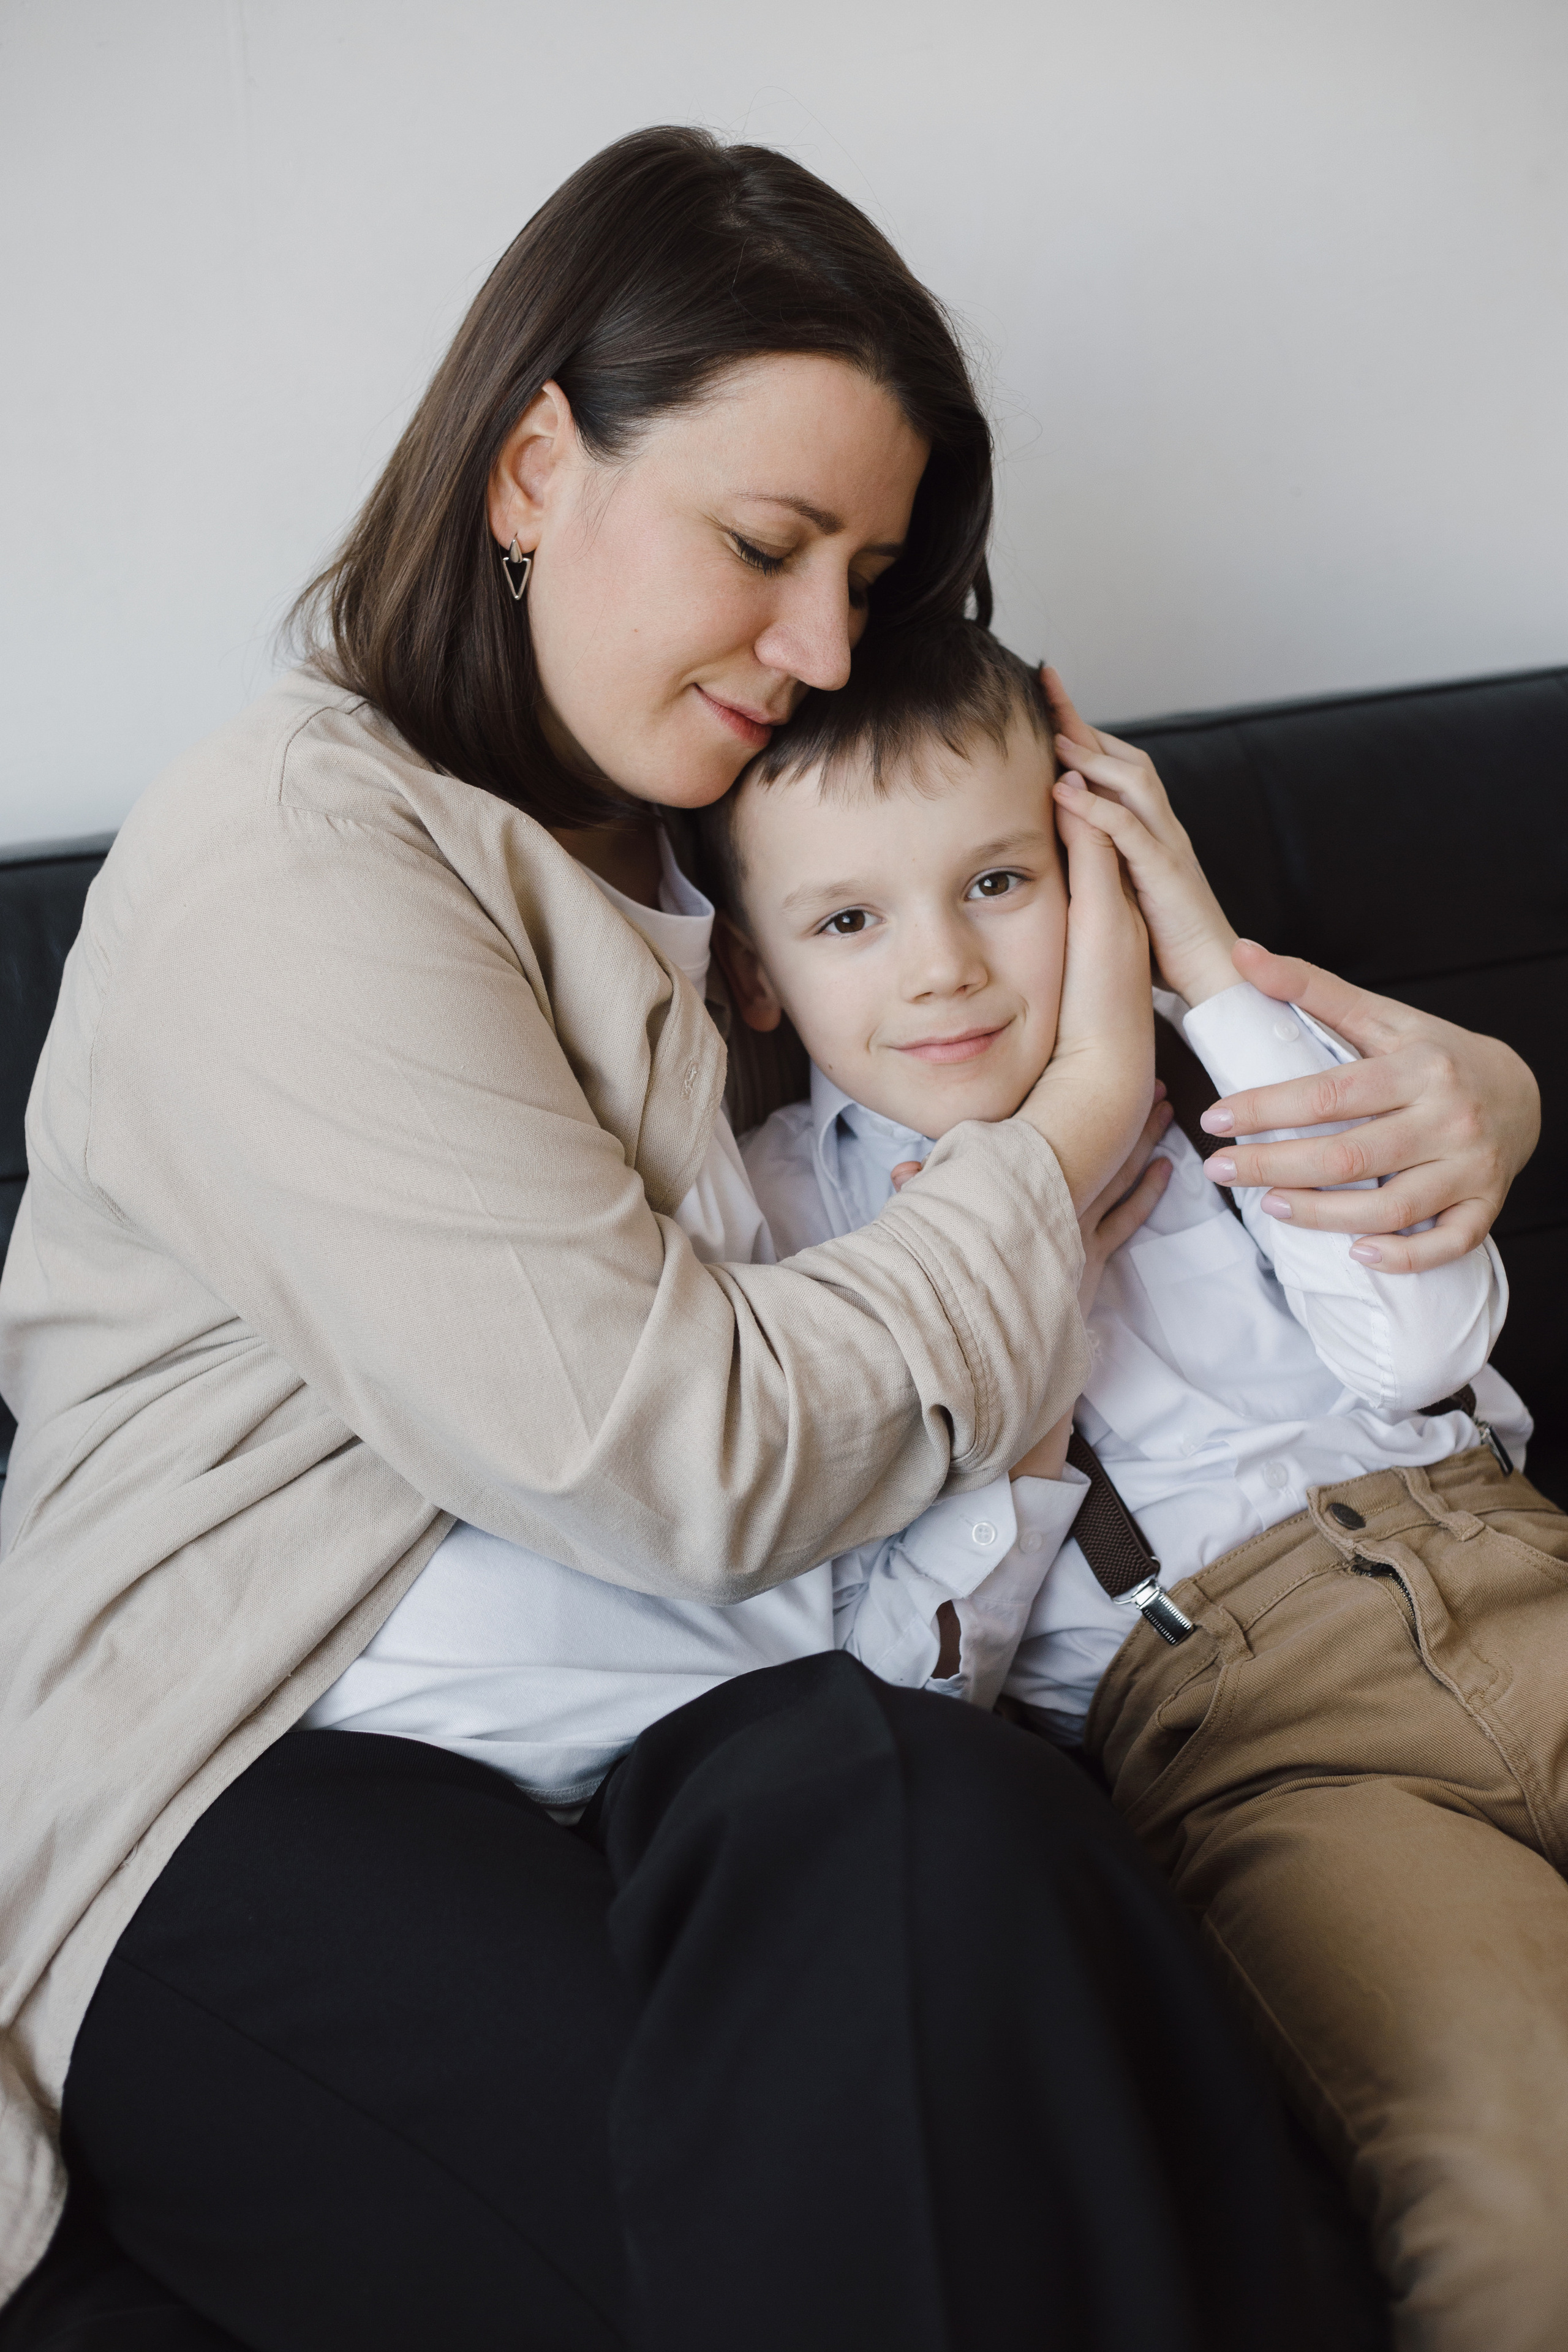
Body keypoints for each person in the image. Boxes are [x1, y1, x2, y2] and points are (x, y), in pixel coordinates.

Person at [0, 128, 1539, 2351]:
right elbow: (679, 1446)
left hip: (708, 1700)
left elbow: (1095, 1023)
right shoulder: (299, 857)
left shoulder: (744, 857)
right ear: (535, 469)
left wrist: (1486, 1095)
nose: (824, 643)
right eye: (766, 543)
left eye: (869, 569)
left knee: (941, 1821)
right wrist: (1087, 1120)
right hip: (263, 1753)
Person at [699, 616, 1559, 2352]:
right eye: (850, 920)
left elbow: (1416, 1348)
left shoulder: (1230, 1064)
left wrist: (1211, 980)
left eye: (1001, 881)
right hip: (1262, 1743)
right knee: (1520, 2192)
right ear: (754, 976)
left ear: (1096, 866)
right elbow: (895, 1682)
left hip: (1514, 1574)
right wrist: (1015, 1376)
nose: (941, 968)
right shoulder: (786, 1225)